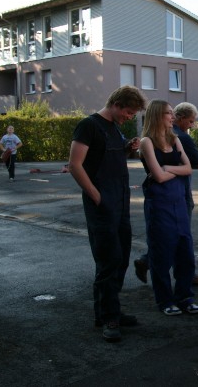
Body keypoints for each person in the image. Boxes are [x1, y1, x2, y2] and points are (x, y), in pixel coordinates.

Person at [69, 85, 146, 342]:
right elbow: (75, 165)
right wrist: (96, 196)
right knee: (108, 260)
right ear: (116, 104)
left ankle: (108, 311)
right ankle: (108, 317)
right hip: (102, 205)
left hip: (121, 202)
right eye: (128, 112)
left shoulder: (114, 127)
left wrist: (128, 148)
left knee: (121, 257)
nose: (129, 117)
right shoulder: (88, 126)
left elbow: (109, 156)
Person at [133, 102, 198, 286]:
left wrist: (167, 168)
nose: (191, 125)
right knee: (172, 237)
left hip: (172, 194)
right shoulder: (172, 138)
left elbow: (184, 169)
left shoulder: (172, 138)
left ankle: (170, 272)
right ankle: (177, 277)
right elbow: (197, 163)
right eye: (190, 121)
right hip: (170, 196)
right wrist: (177, 169)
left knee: (174, 236)